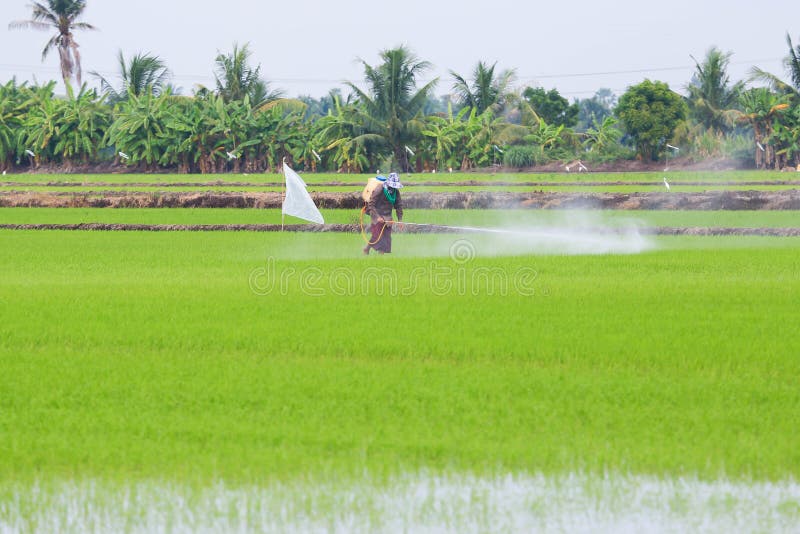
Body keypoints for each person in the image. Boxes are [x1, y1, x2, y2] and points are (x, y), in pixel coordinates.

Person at [364, 172, 403, 255]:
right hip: (376, 214)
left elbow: (399, 206)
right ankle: (366, 249)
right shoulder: (380, 189)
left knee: (386, 237)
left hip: (387, 216)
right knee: (377, 235)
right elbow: (371, 204)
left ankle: (381, 255)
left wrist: (400, 220)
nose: (394, 187)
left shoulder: (396, 192)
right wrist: (377, 217)